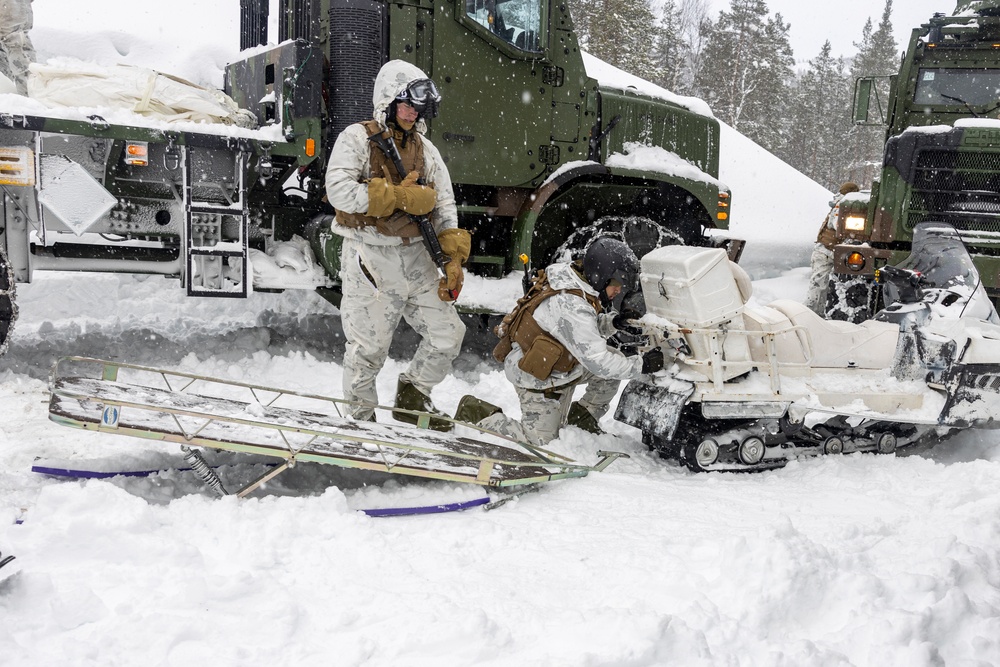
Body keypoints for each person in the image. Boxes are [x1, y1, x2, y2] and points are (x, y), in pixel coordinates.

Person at [325, 60, 470, 429]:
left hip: (418, 254)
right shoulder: (358, 138)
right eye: (405, 104)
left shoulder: (426, 150)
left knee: (448, 335)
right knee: (368, 348)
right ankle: (361, 420)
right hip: (370, 253)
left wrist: (452, 259)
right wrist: (397, 198)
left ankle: (413, 398)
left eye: (418, 108)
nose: (412, 113)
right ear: (388, 101)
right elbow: (338, 191)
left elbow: (445, 204)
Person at [455, 238, 664, 446]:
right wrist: (641, 365)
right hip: (537, 376)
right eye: (616, 284)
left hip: (561, 362)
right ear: (600, 276)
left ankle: (581, 422)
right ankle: (476, 414)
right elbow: (597, 360)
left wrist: (614, 322)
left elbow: (576, 331)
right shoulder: (571, 305)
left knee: (614, 364)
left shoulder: (574, 280)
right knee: (540, 444)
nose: (618, 290)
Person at [805, 182, 860, 315]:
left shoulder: (841, 204)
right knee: (819, 285)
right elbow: (837, 225)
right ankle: (809, 313)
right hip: (825, 251)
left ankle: (817, 314)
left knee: (823, 286)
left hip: (829, 251)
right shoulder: (841, 205)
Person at [0, 0, 33, 95]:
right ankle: (7, 94)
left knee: (15, 42)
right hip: (17, 6)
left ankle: (27, 95)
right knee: (16, 41)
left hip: (10, 7)